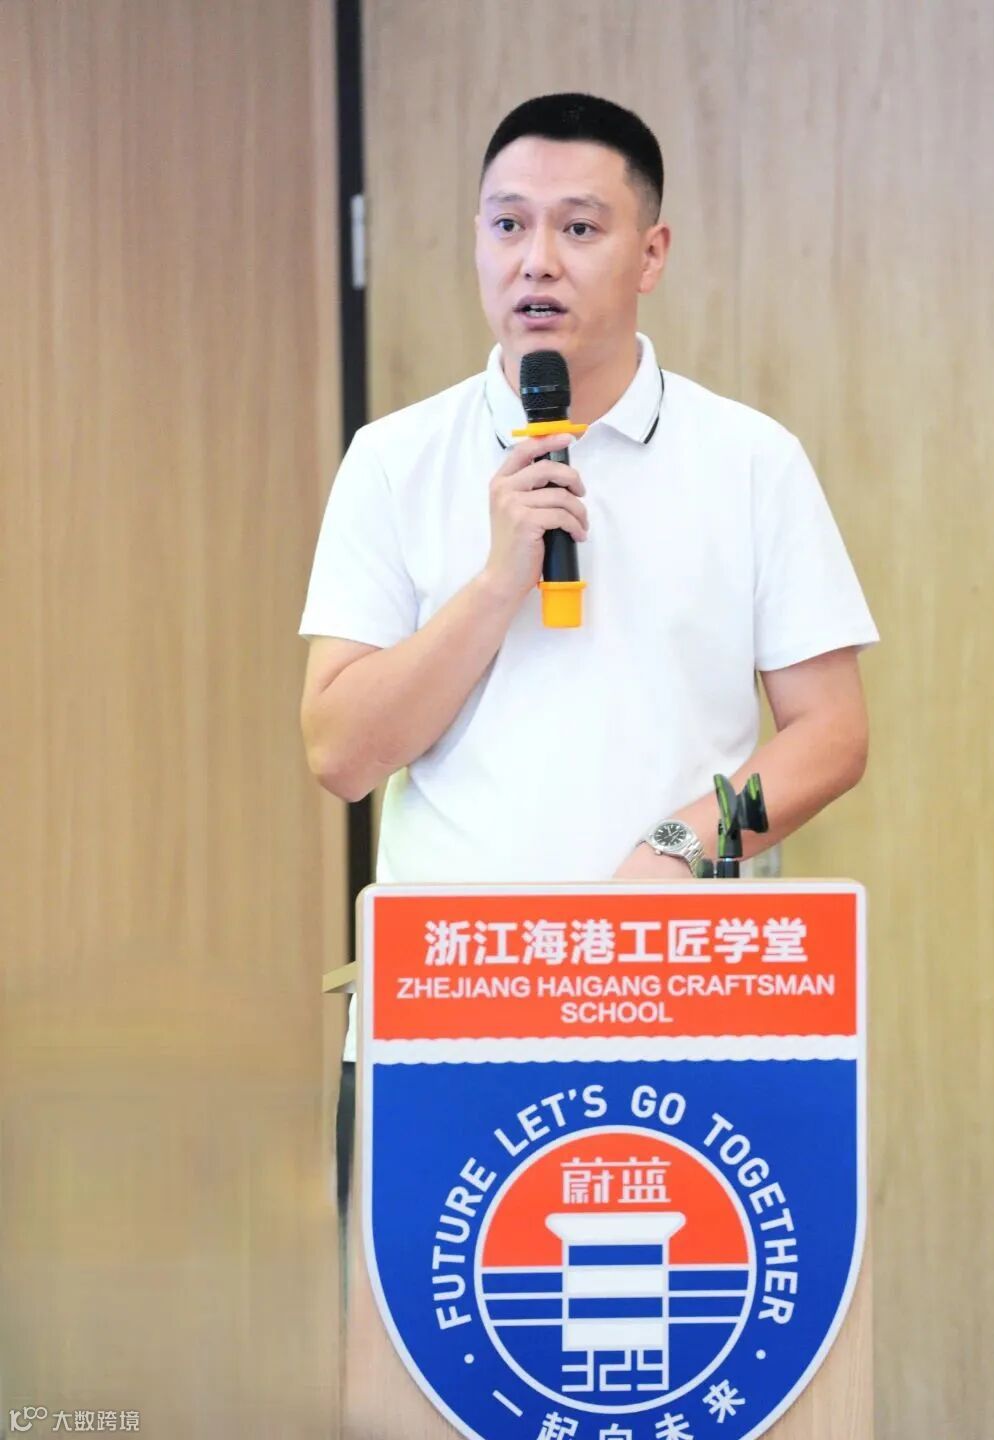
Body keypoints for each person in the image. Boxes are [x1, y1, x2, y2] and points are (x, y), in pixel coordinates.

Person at [298, 93, 879, 1248]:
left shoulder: (751, 461)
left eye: (578, 227)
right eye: (507, 224)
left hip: (684, 1003)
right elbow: (341, 753)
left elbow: (831, 734)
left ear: (650, 253)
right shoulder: (393, 461)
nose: (536, 262)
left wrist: (681, 848)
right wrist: (496, 582)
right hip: (449, 1018)